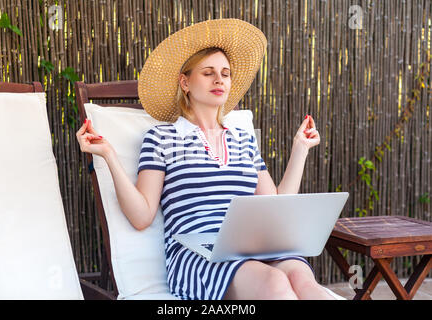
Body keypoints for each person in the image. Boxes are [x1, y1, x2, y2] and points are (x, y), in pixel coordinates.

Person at [76, 19, 331, 300]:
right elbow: (141, 216)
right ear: (185, 82)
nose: (219, 79)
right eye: (208, 73)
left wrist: (300, 148)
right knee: (275, 284)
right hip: (199, 256)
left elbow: (276, 205)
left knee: (304, 282)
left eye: (225, 73)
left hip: (255, 248)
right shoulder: (162, 138)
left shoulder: (244, 139)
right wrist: (109, 155)